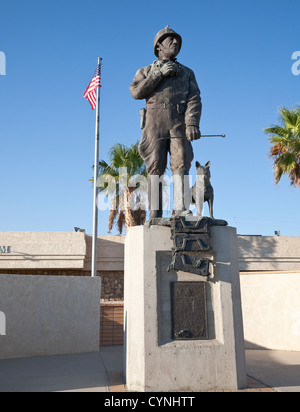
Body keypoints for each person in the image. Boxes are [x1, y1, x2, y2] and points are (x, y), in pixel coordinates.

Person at [130, 26, 202, 218]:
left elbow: (194, 98)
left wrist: (192, 123)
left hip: (178, 122)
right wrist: (158, 74)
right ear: (159, 46)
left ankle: (181, 209)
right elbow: (136, 92)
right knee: (155, 166)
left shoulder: (187, 73)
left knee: (181, 163)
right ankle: (155, 212)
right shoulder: (145, 70)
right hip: (154, 123)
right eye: (170, 40)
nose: (175, 43)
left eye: (177, 41)